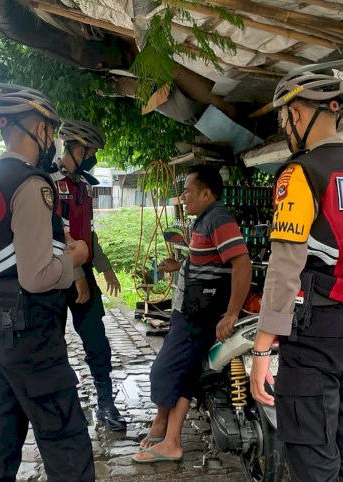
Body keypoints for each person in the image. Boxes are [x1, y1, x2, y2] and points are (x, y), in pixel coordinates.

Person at [249, 60, 343, 482]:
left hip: (316, 332)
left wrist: (261, 350)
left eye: (283, 119)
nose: (285, 128)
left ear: (296, 113)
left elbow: (285, 266)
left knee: (313, 455)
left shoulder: (300, 173)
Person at [0, 83, 94, 482]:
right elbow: (38, 277)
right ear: (37, 128)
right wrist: (77, 256)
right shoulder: (31, 184)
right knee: (66, 442)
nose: (51, 139)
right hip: (30, 330)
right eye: (49, 129)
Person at [133, 164, 252, 463]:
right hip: (188, 309)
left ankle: (168, 438)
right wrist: (181, 266)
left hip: (199, 315)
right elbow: (209, 262)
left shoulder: (219, 219)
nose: (183, 196)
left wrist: (231, 313)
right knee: (185, 374)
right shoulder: (203, 221)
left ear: (206, 192)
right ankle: (167, 437)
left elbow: (241, 264)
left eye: (187, 190)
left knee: (163, 370)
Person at [49, 119, 126, 431]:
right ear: (77, 149)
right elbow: (58, 233)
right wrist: (77, 272)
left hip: (82, 274)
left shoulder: (83, 185)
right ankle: (56, 409)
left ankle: (106, 401)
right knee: (52, 345)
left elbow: (87, 233)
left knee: (96, 339)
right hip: (54, 277)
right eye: (91, 151)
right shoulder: (49, 182)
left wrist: (105, 268)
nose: (93, 157)